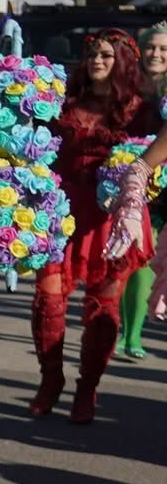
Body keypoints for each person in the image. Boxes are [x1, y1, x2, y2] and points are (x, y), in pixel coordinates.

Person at [28, 27, 157, 424]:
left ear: (123, 62)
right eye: (92, 54)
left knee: (103, 306)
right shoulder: (65, 101)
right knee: (48, 299)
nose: (97, 61)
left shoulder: (142, 110)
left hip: (111, 219)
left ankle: (88, 388)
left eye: (105, 55)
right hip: (62, 211)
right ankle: (51, 379)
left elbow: (156, 164)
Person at [115, 23, 167, 358]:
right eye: (151, 47)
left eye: (164, 49)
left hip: (161, 187)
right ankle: (121, 329)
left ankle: (133, 333)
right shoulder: (125, 85)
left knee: (146, 257)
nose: (156, 54)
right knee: (126, 257)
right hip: (123, 178)